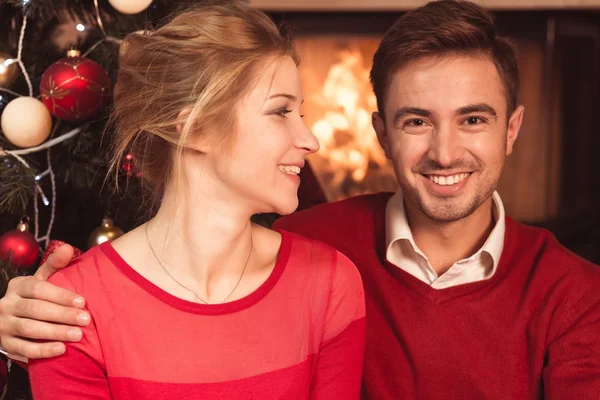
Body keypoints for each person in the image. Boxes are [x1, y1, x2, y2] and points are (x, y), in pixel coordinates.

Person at [1, 0, 600, 399]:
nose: (446, 153)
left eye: (473, 119)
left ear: (513, 130)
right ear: (381, 134)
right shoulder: (314, 240)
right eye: (417, 121)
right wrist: (16, 318)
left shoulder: (575, 298)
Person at [0, 2, 367, 399]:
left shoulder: (329, 283)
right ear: (195, 130)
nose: (310, 141)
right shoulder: (71, 307)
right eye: (280, 112)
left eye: (301, 114)